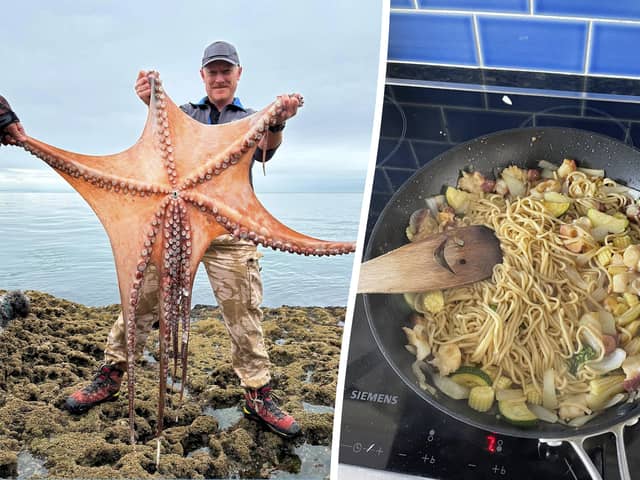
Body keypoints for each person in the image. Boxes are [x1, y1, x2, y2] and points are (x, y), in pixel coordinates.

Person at [64, 41, 302, 438]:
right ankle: (111, 372)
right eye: (213, 71)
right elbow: (162, 136)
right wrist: (151, 98)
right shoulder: (185, 114)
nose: (220, 77)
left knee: (243, 311)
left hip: (230, 232)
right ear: (203, 76)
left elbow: (266, 152)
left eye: (227, 70)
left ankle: (258, 393)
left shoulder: (250, 118)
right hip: (174, 230)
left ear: (239, 74)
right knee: (139, 298)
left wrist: (277, 120)